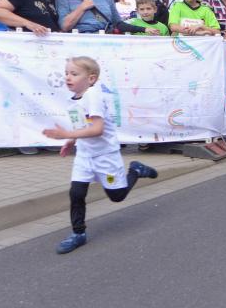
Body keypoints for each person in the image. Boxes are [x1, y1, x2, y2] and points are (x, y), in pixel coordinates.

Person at [41, 56, 158, 254]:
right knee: (76, 193)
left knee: (117, 196)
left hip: (105, 156)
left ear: (91, 78)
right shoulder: (73, 102)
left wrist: (67, 134)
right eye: (66, 73)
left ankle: (136, 170)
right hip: (84, 157)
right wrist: (71, 141)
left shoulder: (94, 96)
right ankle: (78, 233)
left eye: (74, 74)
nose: (68, 77)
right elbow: (82, 127)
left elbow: (97, 129)